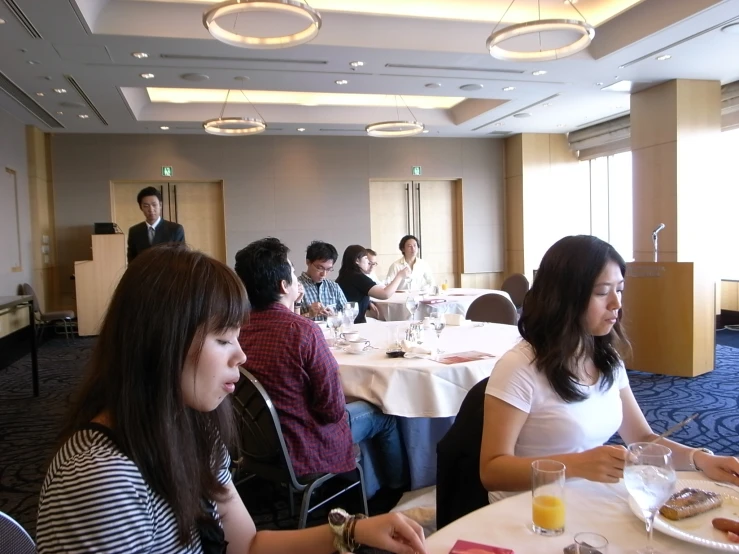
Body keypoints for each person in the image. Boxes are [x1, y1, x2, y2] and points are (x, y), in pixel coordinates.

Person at [36, 245, 426, 554]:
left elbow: (248, 544)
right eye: (223, 339)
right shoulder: (102, 478)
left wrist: (355, 530)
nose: (240, 356)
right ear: (162, 343)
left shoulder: (193, 429)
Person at [479, 235, 739, 502]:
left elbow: (642, 436)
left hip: (587, 498)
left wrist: (701, 459)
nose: (616, 303)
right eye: (603, 292)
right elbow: (492, 470)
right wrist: (577, 465)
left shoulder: (605, 358)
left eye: (620, 290)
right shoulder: (519, 367)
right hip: (530, 510)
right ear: (564, 298)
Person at [235, 238, 410, 501]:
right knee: (384, 413)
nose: (296, 278)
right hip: (303, 444)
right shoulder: (302, 331)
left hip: (256, 444)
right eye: (293, 273)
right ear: (284, 285)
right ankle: (394, 493)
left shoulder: (239, 329)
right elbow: (331, 409)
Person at [336, 245, 410, 324]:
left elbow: (352, 295)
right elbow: (385, 294)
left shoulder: (346, 275)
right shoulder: (357, 277)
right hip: (355, 325)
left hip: (346, 323)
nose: (368, 262)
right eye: (366, 258)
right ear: (357, 261)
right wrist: (400, 276)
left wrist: (368, 302)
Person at [126, 186, 185, 263]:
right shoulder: (134, 231)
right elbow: (132, 259)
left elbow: (181, 257)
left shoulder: (175, 229)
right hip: (143, 274)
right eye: (146, 206)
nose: (151, 209)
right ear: (141, 208)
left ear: (160, 205)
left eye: (154, 205)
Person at [298, 240, 347, 321]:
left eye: (329, 269)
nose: (324, 274)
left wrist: (334, 316)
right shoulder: (296, 286)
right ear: (308, 262)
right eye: (320, 268)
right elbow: (287, 321)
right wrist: (309, 314)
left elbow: (347, 315)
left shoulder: (334, 287)